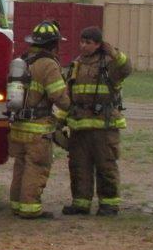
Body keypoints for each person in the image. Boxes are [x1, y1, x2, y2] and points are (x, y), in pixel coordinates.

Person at [62, 26, 133, 216]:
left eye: (88, 43)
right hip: (79, 126)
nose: (83, 46)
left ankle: (108, 205)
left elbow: (127, 68)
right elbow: (68, 93)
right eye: (82, 41)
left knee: (105, 166)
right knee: (79, 166)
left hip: (104, 126)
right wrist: (61, 121)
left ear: (98, 44)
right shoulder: (76, 64)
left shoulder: (109, 63)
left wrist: (114, 53)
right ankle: (80, 203)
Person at [8, 20, 71, 219]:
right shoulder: (48, 64)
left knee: (21, 166)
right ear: (54, 44)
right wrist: (74, 108)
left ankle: (17, 204)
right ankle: (30, 209)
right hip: (37, 129)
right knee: (36, 167)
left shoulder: (23, 60)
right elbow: (58, 96)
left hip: (18, 126)